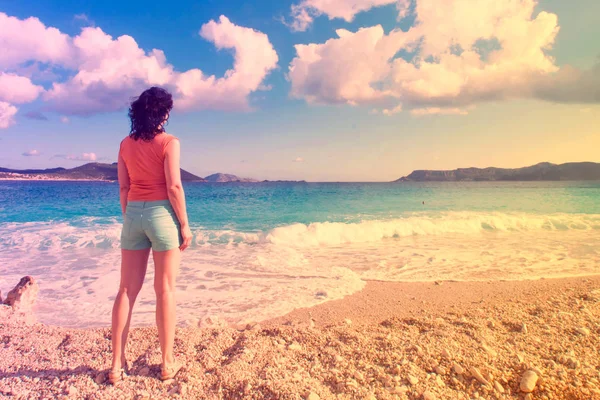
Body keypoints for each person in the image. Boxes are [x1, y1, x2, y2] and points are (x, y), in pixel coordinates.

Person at [110, 87, 192, 384]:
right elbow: (174, 187)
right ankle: (168, 363)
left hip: (133, 213)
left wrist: (129, 216)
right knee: (165, 290)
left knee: (125, 291)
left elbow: (123, 187)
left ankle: (116, 366)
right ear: (164, 113)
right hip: (161, 217)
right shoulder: (169, 142)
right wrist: (184, 223)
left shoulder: (124, 144)